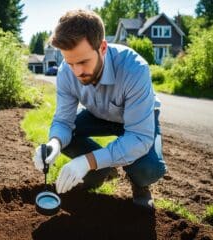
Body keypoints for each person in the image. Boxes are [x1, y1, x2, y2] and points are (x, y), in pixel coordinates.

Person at [33, 9, 167, 209]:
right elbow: (63, 121)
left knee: (148, 168)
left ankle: (140, 186)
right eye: (70, 63)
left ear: (102, 48)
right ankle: (101, 171)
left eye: (83, 62)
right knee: (64, 136)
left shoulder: (135, 69)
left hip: (137, 120)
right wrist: (54, 143)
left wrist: (87, 161)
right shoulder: (66, 73)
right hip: (98, 115)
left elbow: (139, 137)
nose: (77, 72)